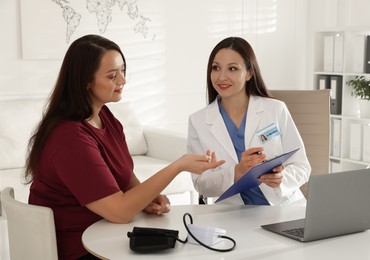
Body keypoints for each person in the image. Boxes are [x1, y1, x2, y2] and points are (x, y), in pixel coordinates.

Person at [24, 34, 224, 260]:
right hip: (82, 248)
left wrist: (149, 197)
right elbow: (119, 212)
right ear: (86, 82)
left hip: (108, 234)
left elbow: (124, 176)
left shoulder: (105, 117)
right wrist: (177, 166)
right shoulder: (70, 138)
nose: (123, 80)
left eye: (123, 70)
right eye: (112, 75)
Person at [187, 36, 311, 206]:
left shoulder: (275, 109)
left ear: (249, 73)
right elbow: (201, 185)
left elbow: (302, 167)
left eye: (232, 68)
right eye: (216, 68)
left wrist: (282, 178)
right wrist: (237, 172)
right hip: (233, 215)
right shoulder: (198, 121)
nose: (222, 76)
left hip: (284, 208)